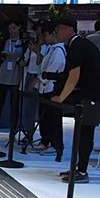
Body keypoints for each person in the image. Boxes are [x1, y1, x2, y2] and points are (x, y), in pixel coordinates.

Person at [52, 16, 100, 184]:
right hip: (91, 94)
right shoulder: (76, 44)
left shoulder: (77, 45)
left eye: (59, 30)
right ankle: (78, 168)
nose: (56, 33)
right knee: (83, 132)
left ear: (70, 30)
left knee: (86, 132)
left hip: (95, 96)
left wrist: (61, 98)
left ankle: (82, 170)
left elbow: (74, 76)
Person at [31, 23, 66, 159]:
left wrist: (40, 79)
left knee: (53, 118)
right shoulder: (52, 49)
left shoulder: (58, 50)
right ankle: (45, 140)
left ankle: (55, 144)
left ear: (53, 34)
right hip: (45, 87)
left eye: (46, 35)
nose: (44, 38)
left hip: (52, 88)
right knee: (45, 116)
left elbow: (53, 68)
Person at [0, 21, 26, 141]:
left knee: (14, 107)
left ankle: (13, 132)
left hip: (15, 78)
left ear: (19, 27)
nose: (11, 31)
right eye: (9, 28)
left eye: (14, 28)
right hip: (2, 76)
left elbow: (24, 62)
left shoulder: (24, 43)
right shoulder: (4, 41)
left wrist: (16, 58)